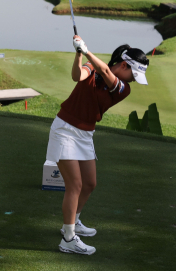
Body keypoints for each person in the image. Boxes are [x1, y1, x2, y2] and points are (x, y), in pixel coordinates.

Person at [46, 35, 149, 255]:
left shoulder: (122, 88)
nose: (133, 80)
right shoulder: (93, 68)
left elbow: (106, 73)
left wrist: (87, 49)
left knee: (90, 183)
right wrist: (79, 53)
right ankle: (68, 238)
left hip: (85, 134)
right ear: (124, 65)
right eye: (133, 74)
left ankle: (73, 222)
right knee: (75, 185)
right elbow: (77, 75)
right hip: (65, 129)